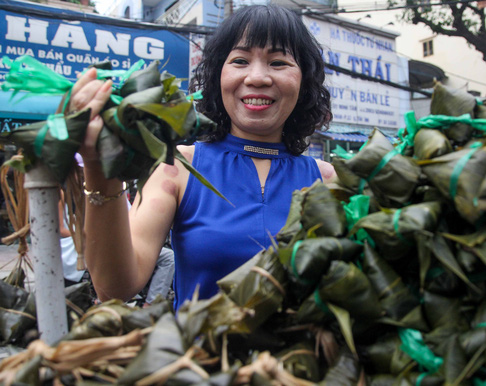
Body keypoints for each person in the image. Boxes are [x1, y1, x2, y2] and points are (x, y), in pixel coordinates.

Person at [69, 4, 335, 310]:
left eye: (278, 62)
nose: (258, 77)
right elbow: (114, 289)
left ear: (304, 82)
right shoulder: (177, 167)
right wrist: (99, 167)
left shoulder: (328, 181)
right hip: (196, 357)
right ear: (218, 76)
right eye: (240, 60)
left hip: (302, 359)